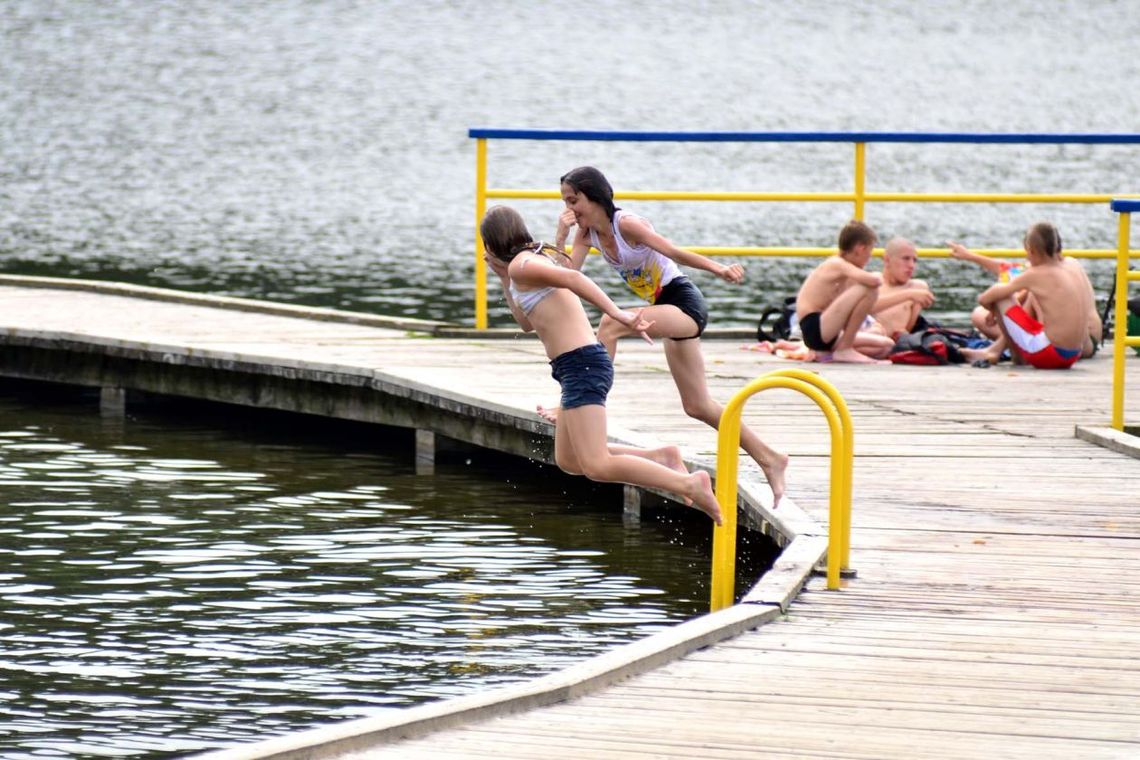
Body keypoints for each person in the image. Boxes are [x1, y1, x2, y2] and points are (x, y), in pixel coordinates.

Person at [554, 166, 788, 508]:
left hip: (684, 304)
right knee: (697, 405)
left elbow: (674, 253)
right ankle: (770, 458)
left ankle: (584, 398)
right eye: (564, 203)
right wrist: (560, 237)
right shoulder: (586, 235)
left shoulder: (626, 224)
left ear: (595, 195)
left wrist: (719, 269)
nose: (569, 210)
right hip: (663, 308)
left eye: (574, 201)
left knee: (610, 323)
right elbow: (567, 278)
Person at [480, 205, 723, 524]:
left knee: (597, 465)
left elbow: (573, 278)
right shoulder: (523, 266)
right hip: (572, 368)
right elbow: (527, 322)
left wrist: (618, 313)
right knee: (568, 460)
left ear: (490, 243)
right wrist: (500, 275)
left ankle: (689, 483)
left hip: (583, 364)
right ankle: (660, 457)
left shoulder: (524, 266)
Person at [955, 222, 1092, 369]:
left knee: (1001, 295)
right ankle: (995, 350)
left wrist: (993, 311)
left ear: (1031, 251)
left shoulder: (1036, 274)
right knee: (1020, 299)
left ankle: (1017, 356)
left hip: (1051, 355)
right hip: (1074, 354)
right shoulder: (1072, 265)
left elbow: (984, 298)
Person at [794, 219, 895, 363]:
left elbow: (857, 311)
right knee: (869, 289)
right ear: (860, 249)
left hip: (828, 333)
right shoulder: (836, 264)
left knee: (887, 346)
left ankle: (830, 353)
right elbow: (874, 282)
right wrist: (879, 276)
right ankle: (844, 349)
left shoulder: (846, 274)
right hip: (815, 328)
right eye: (869, 251)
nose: (869, 257)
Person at [870, 237, 935, 338]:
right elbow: (865, 308)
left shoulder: (918, 287)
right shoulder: (872, 281)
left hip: (897, 344)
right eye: (906, 259)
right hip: (870, 340)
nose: (911, 265)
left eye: (914, 260)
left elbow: (908, 330)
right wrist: (908, 295)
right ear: (887, 260)